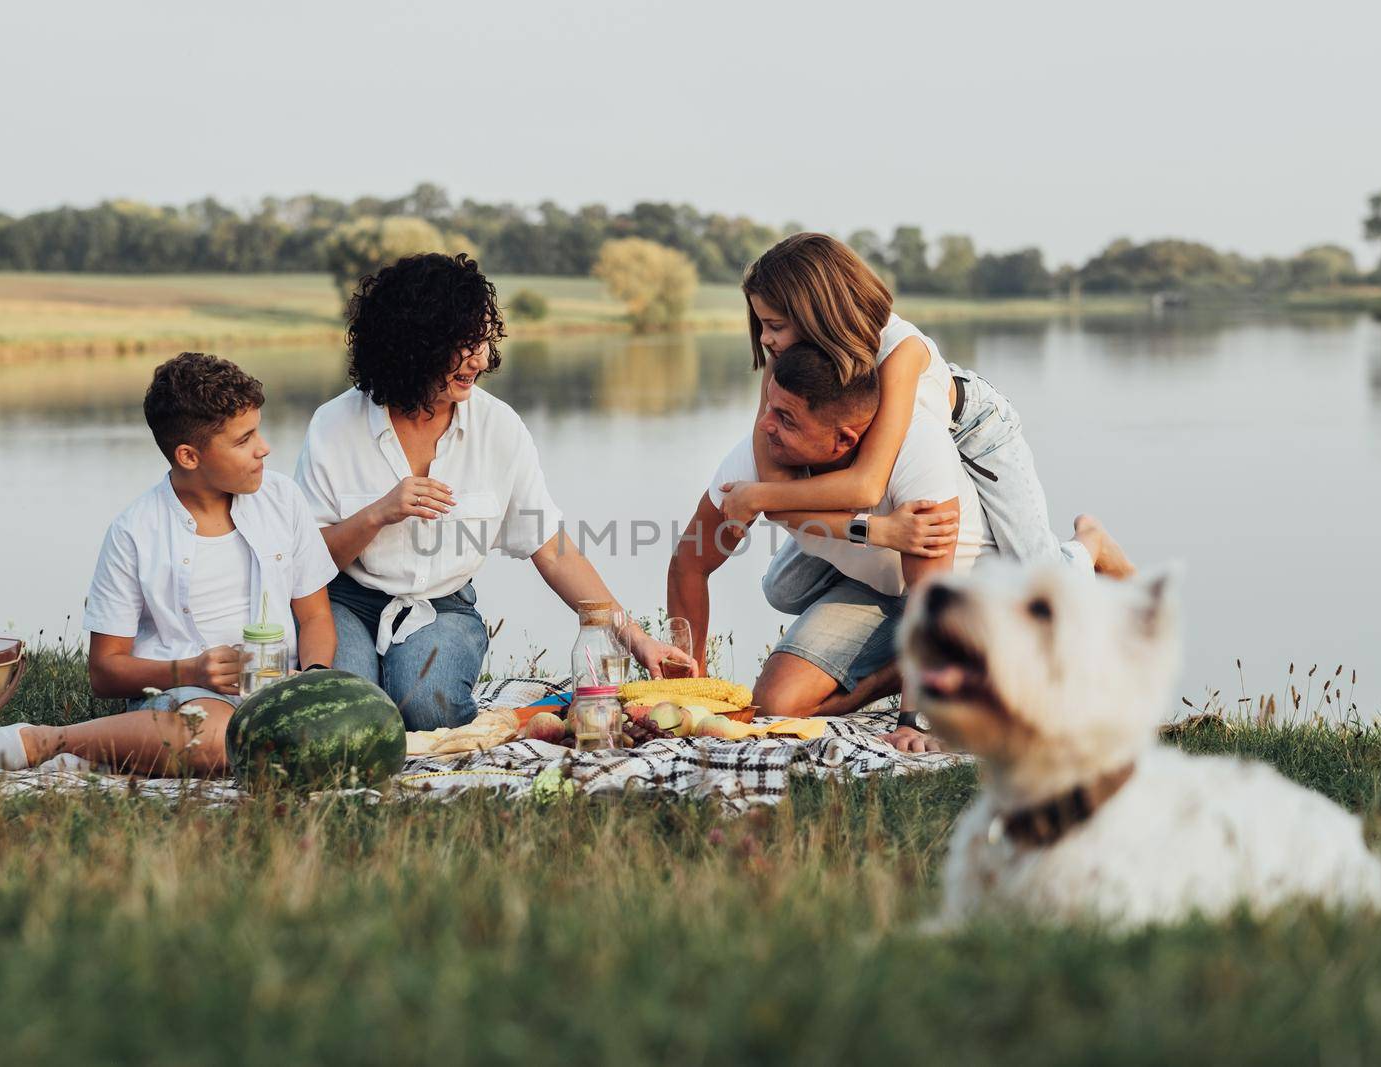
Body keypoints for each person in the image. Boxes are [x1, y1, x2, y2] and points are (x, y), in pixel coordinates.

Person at [295, 252, 693, 730]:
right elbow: (305, 563)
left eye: (483, 339)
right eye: (461, 344)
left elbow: (554, 551)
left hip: (442, 607)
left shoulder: (499, 427)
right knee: (344, 715)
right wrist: (377, 514)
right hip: (343, 600)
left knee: (428, 709)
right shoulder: (334, 425)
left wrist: (637, 639)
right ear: (412, 343)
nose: (479, 357)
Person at [0, 352, 338, 774]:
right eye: (243, 440)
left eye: (257, 432)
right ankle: (45, 740)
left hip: (276, 689)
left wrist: (311, 679)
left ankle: (115, 750)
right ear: (190, 456)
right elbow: (104, 671)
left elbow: (316, 615)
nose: (264, 448)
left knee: (323, 737)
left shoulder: (283, 500)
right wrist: (193, 670)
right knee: (219, 739)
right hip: (181, 695)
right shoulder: (134, 532)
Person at [715, 233, 1134, 578]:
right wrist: (872, 530)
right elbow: (778, 489)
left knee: (1041, 579)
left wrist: (756, 497)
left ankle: (1089, 544)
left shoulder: (900, 351)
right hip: (901, 456)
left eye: (775, 326)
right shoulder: (783, 361)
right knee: (783, 586)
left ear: (818, 314)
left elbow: (865, 486)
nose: (767, 340)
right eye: (762, 326)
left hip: (975, 433)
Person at [669, 342, 1000, 753]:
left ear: (843, 440)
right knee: (776, 660)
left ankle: (908, 668)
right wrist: (686, 688)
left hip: (947, 591)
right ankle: (887, 659)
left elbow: (927, 596)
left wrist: (912, 720)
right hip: (870, 569)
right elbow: (689, 563)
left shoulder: (918, 452)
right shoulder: (763, 454)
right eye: (769, 406)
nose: (765, 425)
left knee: (778, 704)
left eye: (785, 419)